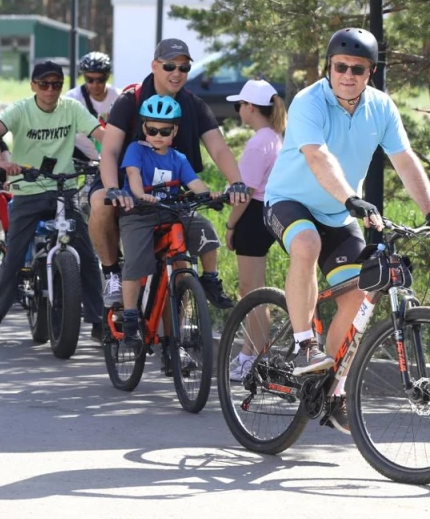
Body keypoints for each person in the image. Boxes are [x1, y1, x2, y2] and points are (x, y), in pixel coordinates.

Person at [262, 28, 430, 434]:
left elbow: (404, 160)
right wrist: (353, 197)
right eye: (340, 67)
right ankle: (303, 348)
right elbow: (317, 157)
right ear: (328, 68)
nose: (348, 75)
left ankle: (329, 391)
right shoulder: (309, 101)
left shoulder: (380, 108)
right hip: (289, 201)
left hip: (338, 212)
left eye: (358, 69)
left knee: (357, 297)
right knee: (307, 243)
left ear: (371, 72)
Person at [92, 38, 246, 311]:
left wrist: (236, 183)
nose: (177, 73)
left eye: (184, 68)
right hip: (125, 183)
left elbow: (219, 149)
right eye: (169, 66)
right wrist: (114, 188)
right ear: (155, 66)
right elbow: (111, 151)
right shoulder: (131, 100)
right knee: (100, 202)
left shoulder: (194, 105)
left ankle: (179, 338)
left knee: (181, 265)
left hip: (172, 187)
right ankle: (112, 273)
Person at [0, 61, 108, 342]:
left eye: (56, 85)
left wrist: (109, 155)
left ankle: (98, 321)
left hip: (64, 188)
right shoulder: (22, 109)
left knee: (87, 254)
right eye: (44, 84)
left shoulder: (72, 108)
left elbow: (100, 134)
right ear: (33, 86)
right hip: (27, 189)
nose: (50, 90)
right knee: (14, 254)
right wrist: (3, 160)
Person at [107, 95, 212, 358]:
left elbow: (194, 182)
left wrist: (209, 195)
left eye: (164, 131)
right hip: (138, 212)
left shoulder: (178, 157)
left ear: (174, 131)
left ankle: (211, 281)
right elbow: (132, 176)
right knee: (136, 262)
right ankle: (130, 316)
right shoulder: (136, 150)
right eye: (152, 130)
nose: (157, 135)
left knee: (205, 230)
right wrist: (139, 195)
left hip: (171, 213)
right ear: (144, 129)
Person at [221, 80, 287, 380]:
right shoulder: (273, 136)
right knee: (255, 291)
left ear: (250, 107)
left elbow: (243, 193)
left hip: (253, 216)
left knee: (251, 292)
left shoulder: (260, 141)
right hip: (268, 212)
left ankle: (251, 358)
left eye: (240, 105)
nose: (238, 111)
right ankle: (251, 354)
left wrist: (231, 224)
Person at [67, 51, 120, 161]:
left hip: (110, 156)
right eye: (89, 80)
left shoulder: (119, 97)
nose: (95, 85)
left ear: (107, 76)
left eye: (100, 80)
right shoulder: (72, 98)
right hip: (80, 156)